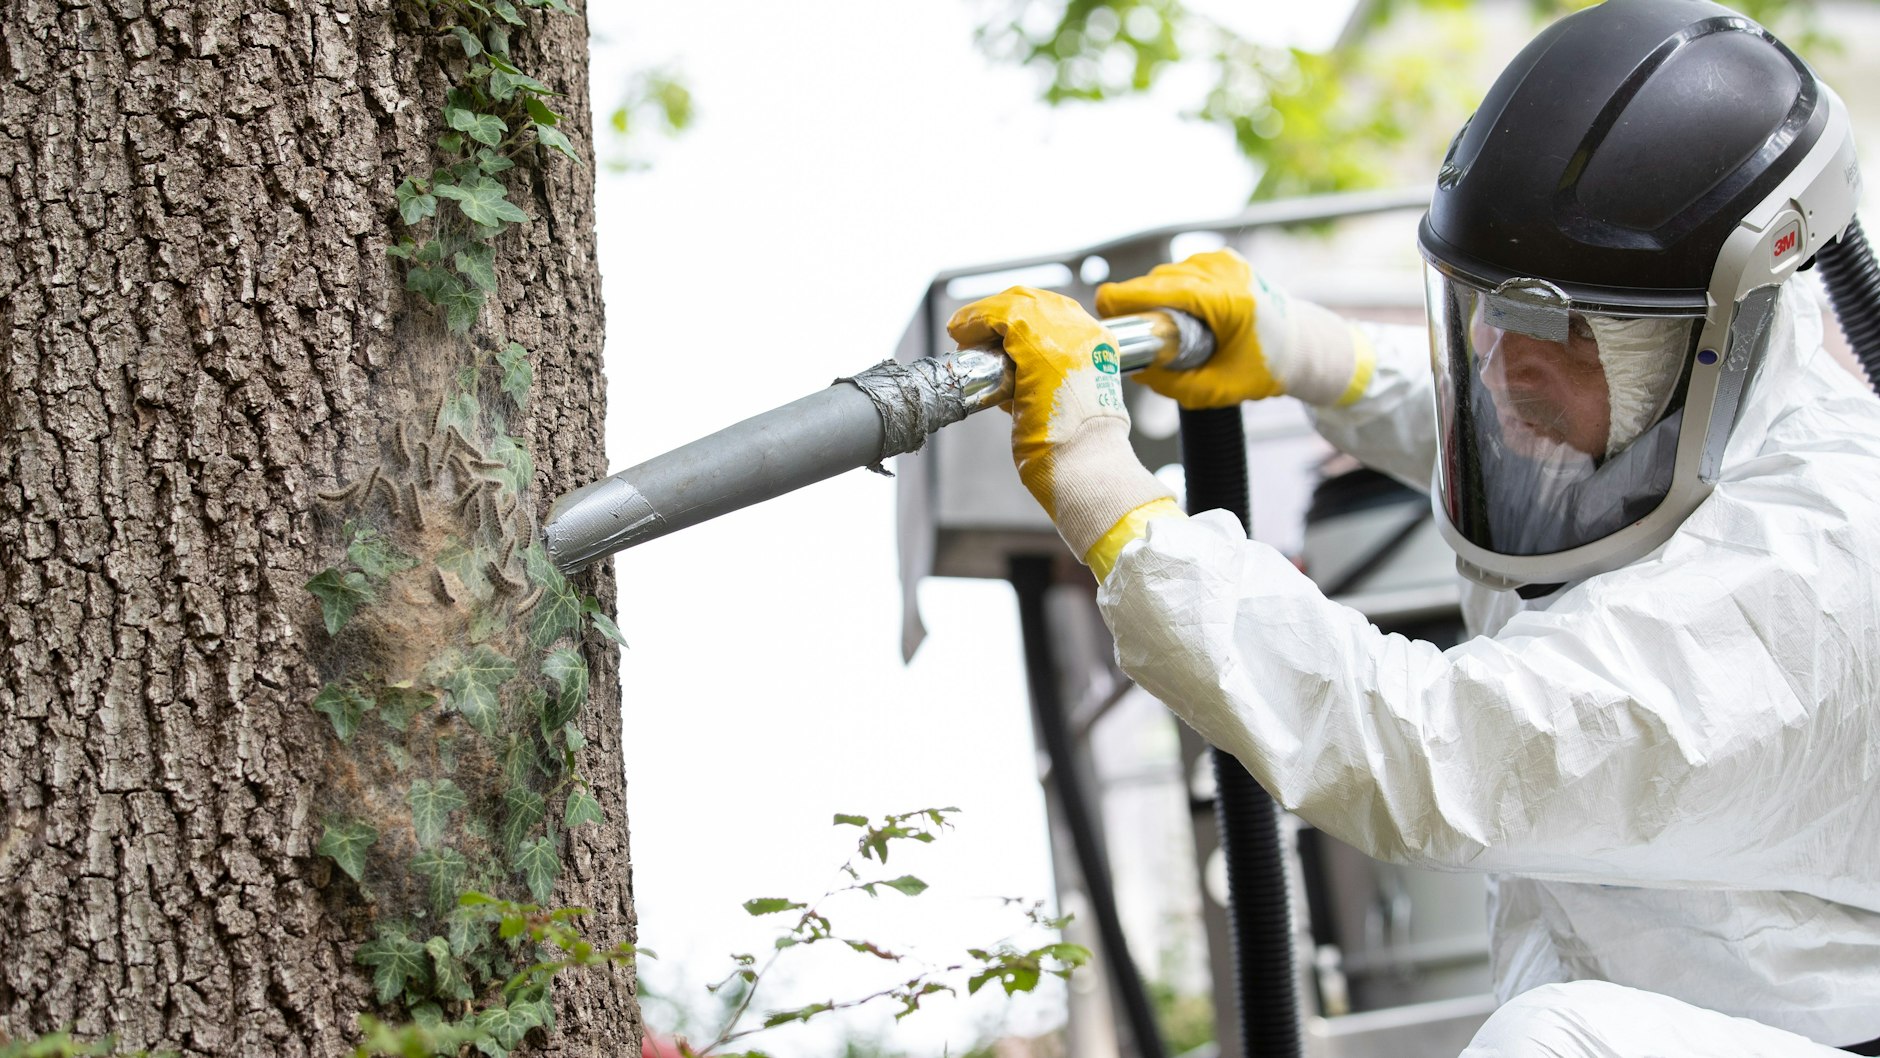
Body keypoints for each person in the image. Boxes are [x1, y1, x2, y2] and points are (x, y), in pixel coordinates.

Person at [945, 1, 1880, 1055]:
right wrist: (1317, 355)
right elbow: (1537, 429)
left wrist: (1108, 497)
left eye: (1538, 322)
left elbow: (1433, 751)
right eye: (1477, 305)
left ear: (1718, 322)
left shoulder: (1819, 562)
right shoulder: (1694, 419)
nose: (1492, 361)